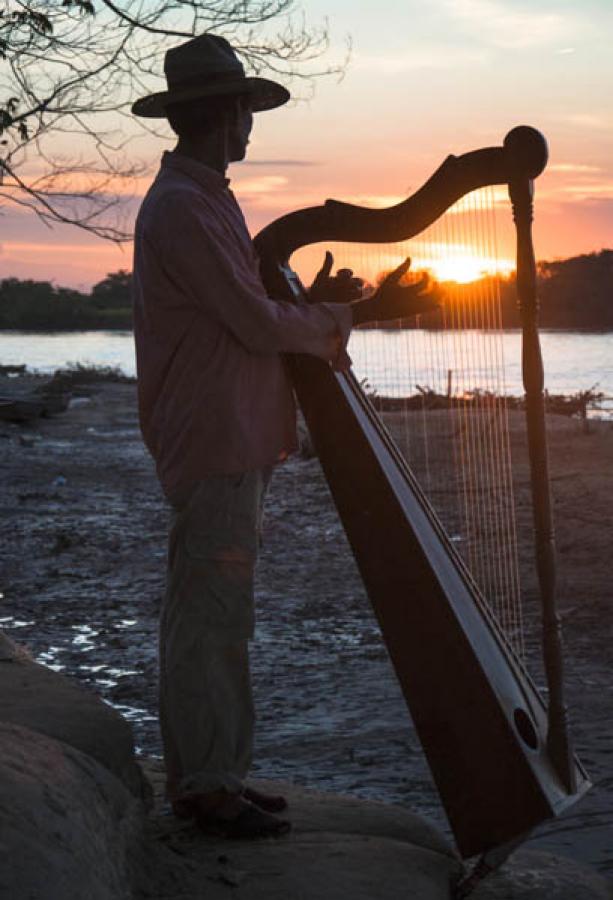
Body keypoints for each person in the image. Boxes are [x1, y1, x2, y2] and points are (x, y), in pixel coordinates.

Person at [131, 33, 436, 839]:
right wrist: (359, 314)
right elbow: (251, 323)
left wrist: (320, 299)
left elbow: (248, 308)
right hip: (213, 432)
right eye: (244, 112)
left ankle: (215, 774)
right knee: (210, 614)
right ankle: (206, 787)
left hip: (228, 431)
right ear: (228, 114)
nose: (249, 127)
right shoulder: (184, 206)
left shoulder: (204, 198)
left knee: (215, 611)